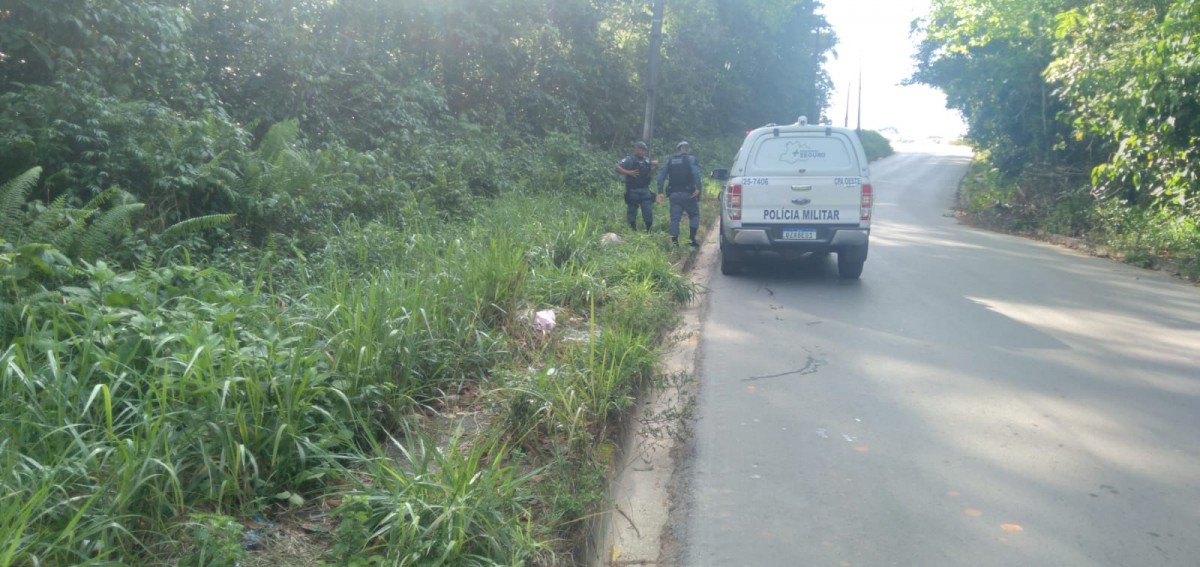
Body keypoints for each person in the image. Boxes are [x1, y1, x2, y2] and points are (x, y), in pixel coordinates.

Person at [657, 140, 703, 247]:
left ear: (678, 150)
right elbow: (696, 174)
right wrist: (699, 188)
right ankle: (692, 240)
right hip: (689, 194)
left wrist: (660, 192)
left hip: (674, 195)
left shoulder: (670, 160)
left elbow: (661, 176)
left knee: (675, 219)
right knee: (694, 215)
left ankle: (675, 243)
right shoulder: (691, 159)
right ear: (689, 149)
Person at [615, 141, 658, 231]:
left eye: (644, 150)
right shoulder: (629, 159)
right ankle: (632, 230)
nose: (643, 152)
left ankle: (649, 230)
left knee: (648, 211)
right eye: (641, 149)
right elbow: (617, 168)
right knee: (632, 211)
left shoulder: (647, 161)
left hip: (645, 189)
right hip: (633, 190)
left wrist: (655, 167)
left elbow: (650, 174)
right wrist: (628, 172)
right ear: (636, 149)